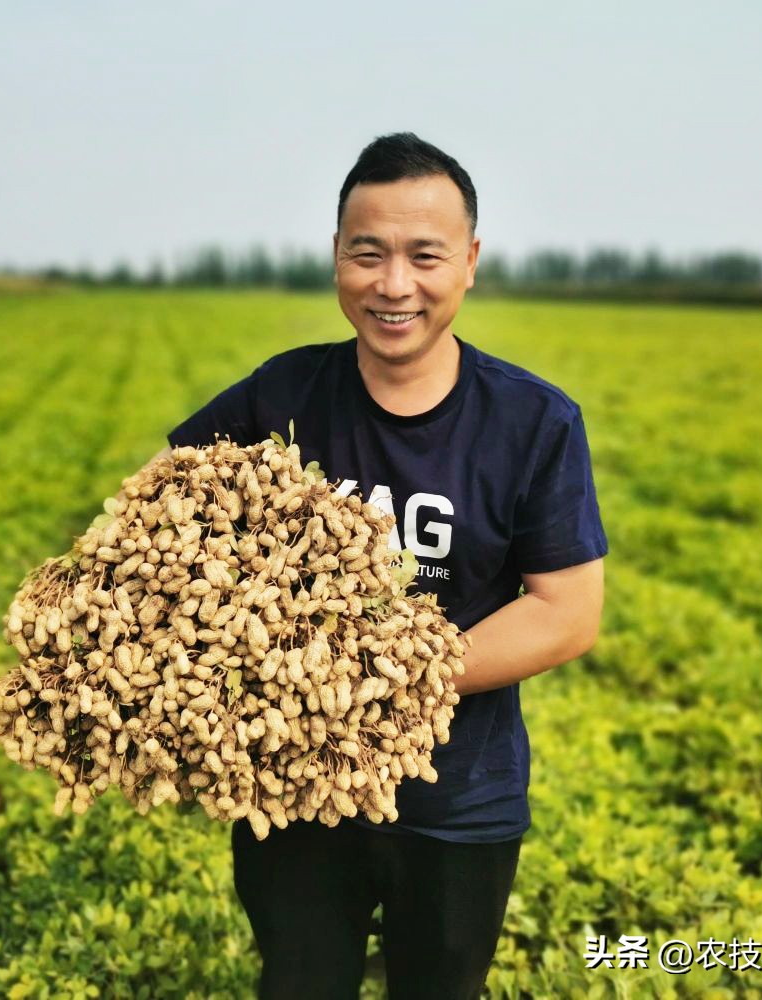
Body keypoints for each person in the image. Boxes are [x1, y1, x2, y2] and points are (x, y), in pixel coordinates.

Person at [151, 132, 607, 999]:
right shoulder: (280, 397)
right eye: (369, 254)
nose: (395, 285)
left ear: (469, 263)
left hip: (458, 802)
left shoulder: (533, 421)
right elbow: (164, 507)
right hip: (292, 791)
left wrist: (379, 678)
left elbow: (566, 612)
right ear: (337, 260)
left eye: (424, 256)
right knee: (301, 982)